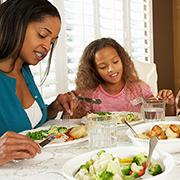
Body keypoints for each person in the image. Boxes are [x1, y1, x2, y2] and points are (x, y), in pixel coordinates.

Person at [0, 0, 76, 164]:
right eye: (42, 35)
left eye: (52, 41)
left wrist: (54, 108)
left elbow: (29, 125)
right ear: (16, 24)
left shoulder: (24, 72)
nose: (47, 46)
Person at [63, 38, 175, 118]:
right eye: (103, 66)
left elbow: (160, 119)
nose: (111, 69)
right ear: (94, 70)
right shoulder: (89, 94)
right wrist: (72, 107)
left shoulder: (140, 88)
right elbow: (75, 124)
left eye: (115, 62)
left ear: (122, 60)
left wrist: (169, 104)